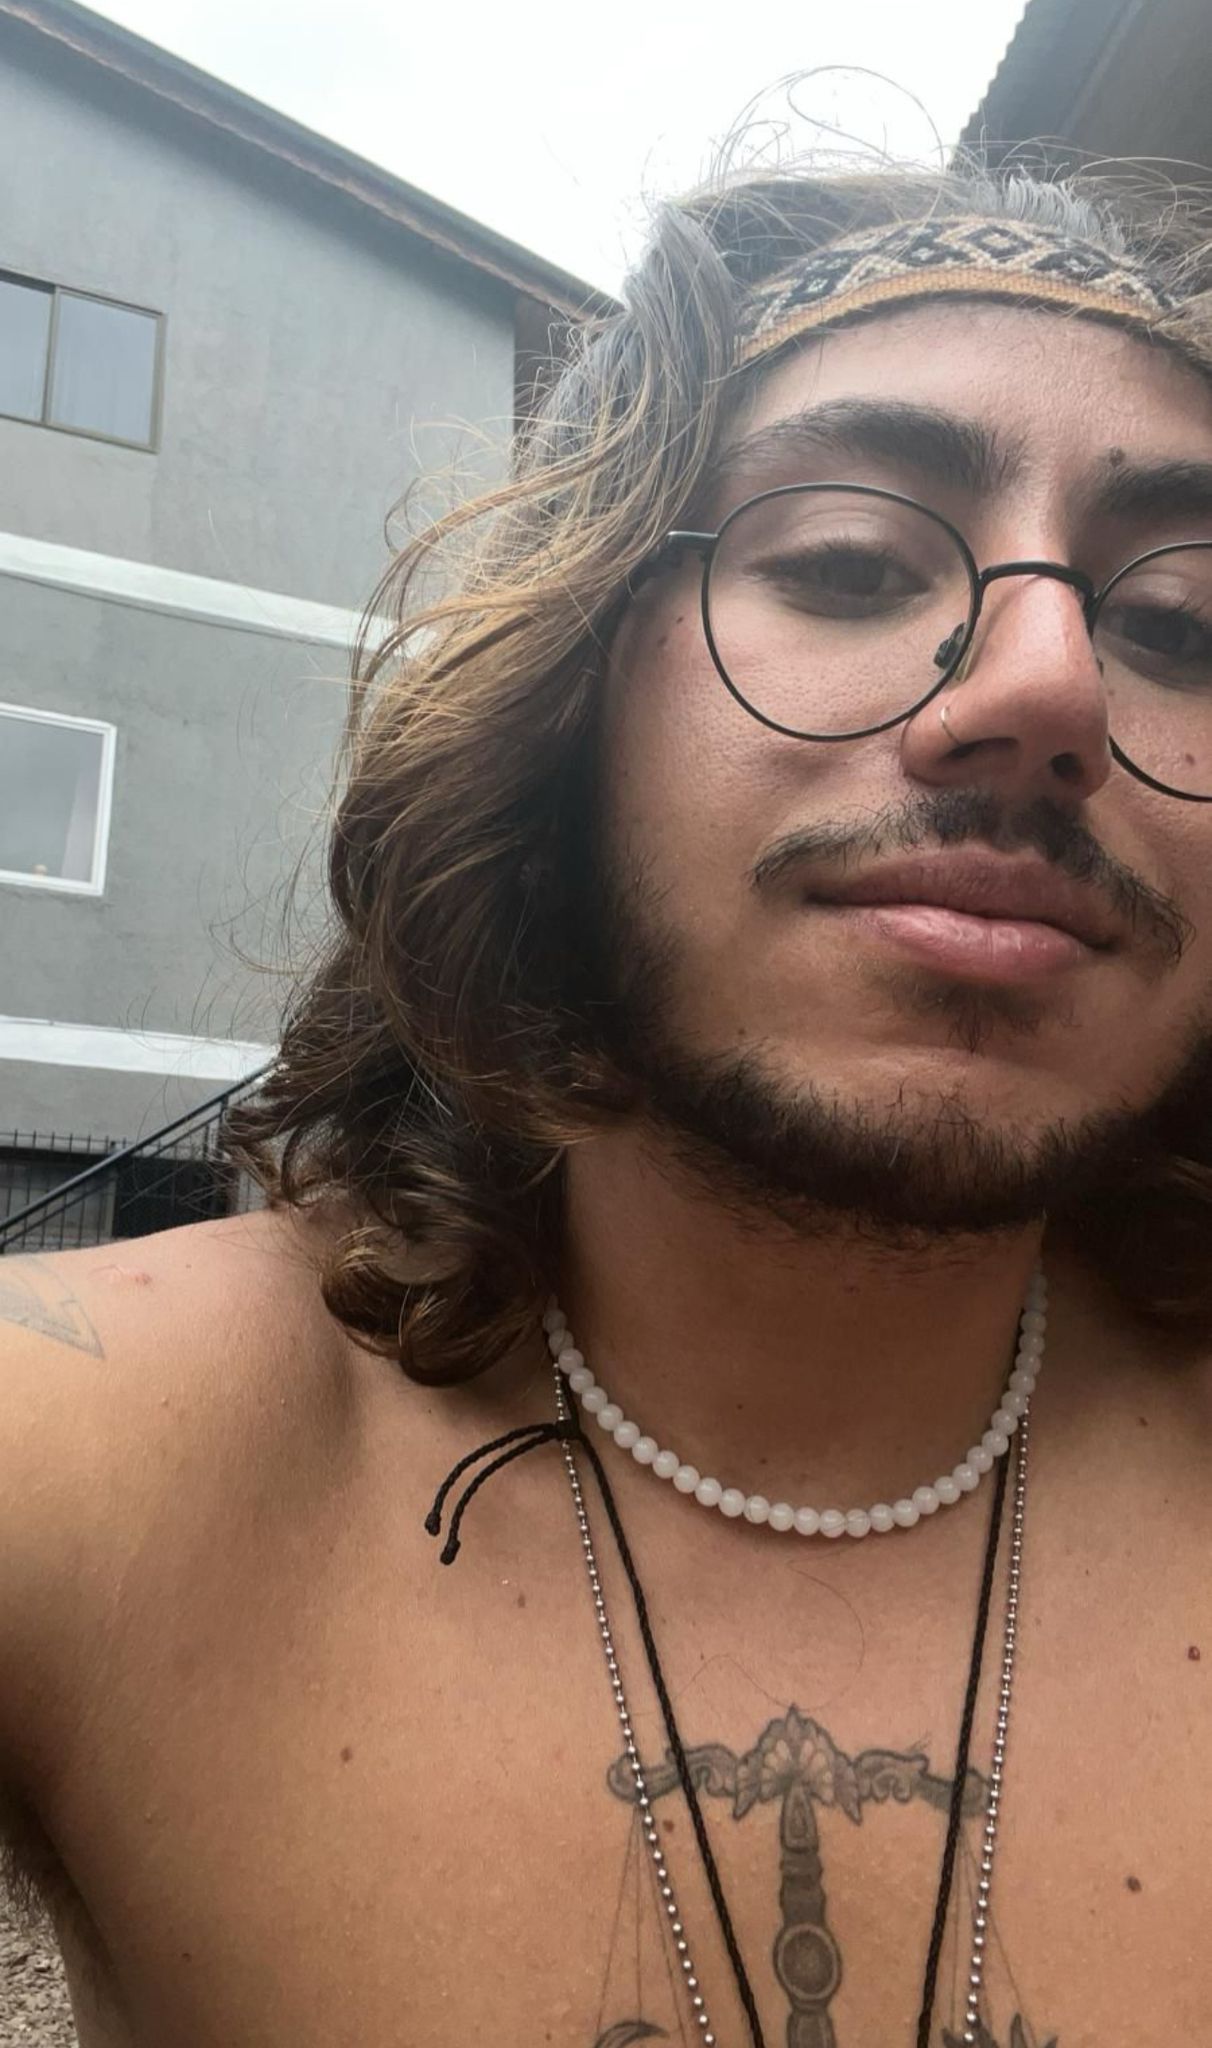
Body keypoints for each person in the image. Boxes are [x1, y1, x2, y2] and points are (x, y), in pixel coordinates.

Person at [4, 155, 1212, 2048]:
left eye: (1188, 624)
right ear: (565, 703)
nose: (1054, 682)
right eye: (848, 564)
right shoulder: (92, 1456)